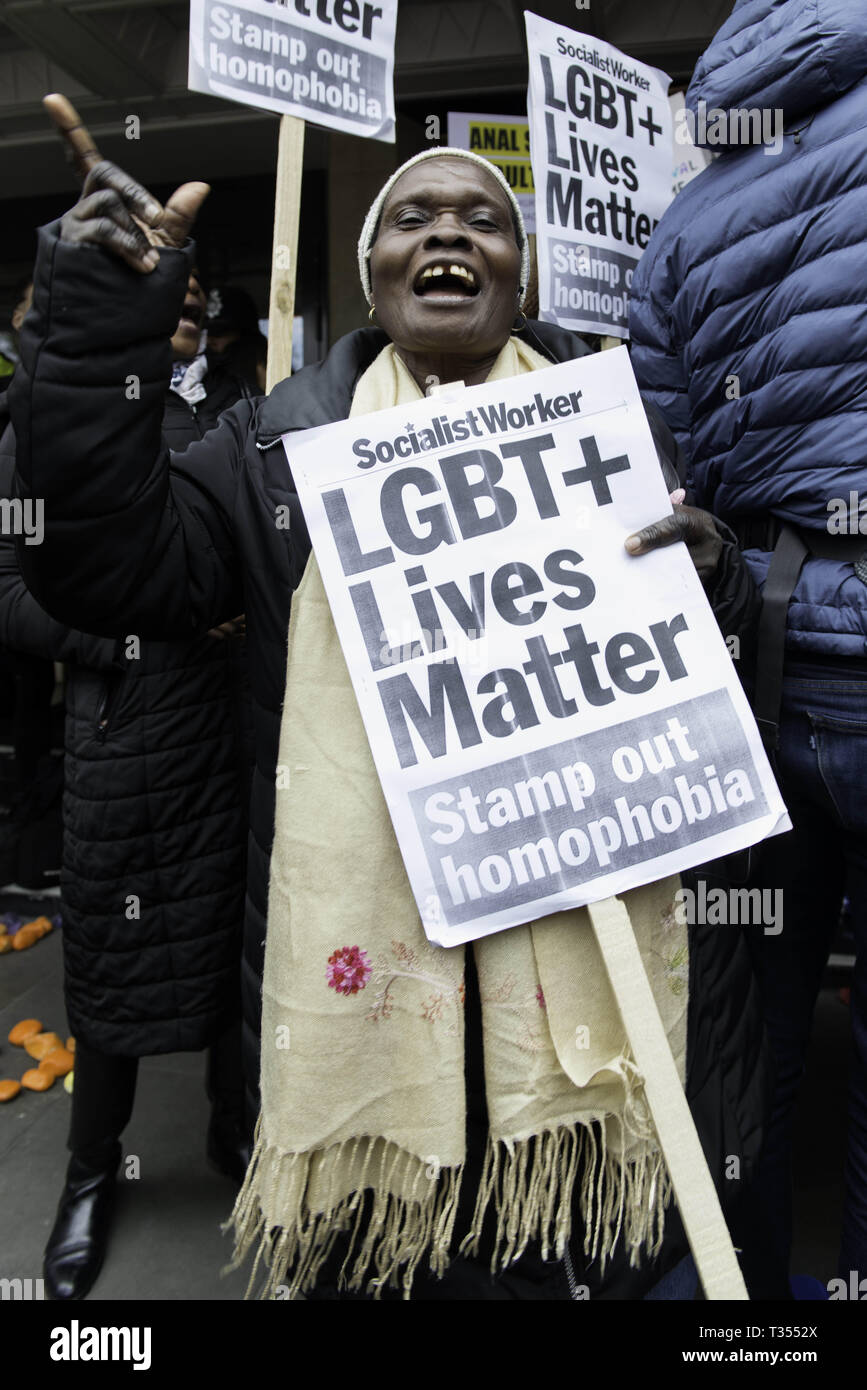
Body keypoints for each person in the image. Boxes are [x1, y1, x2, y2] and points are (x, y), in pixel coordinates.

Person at [10, 100, 766, 1299]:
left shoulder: (623, 435)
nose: (448, 235)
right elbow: (97, 562)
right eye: (412, 217)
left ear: (518, 275)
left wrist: (717, 583)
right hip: (376, 1011)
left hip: (586, 998)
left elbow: (716, 666)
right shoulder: (271, 448)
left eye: (484, 219)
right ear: (373, 275)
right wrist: (99, 337)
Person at [628, 0, 867, 1297]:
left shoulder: (682, 221)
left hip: (759, 680)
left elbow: (671, 476)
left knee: (748, 1040)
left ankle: (747, 1312)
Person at [0, 266, 255, 1302]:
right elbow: (8, 586)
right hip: (127, 743)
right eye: (159, 291)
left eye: (196, 292)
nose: (182, 304)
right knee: (114, 971)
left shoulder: (247, 411)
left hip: (242, 736)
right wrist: (122, 633)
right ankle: (92, 1173)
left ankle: (242, 1149)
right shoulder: (46, 429)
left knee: (245, 965)